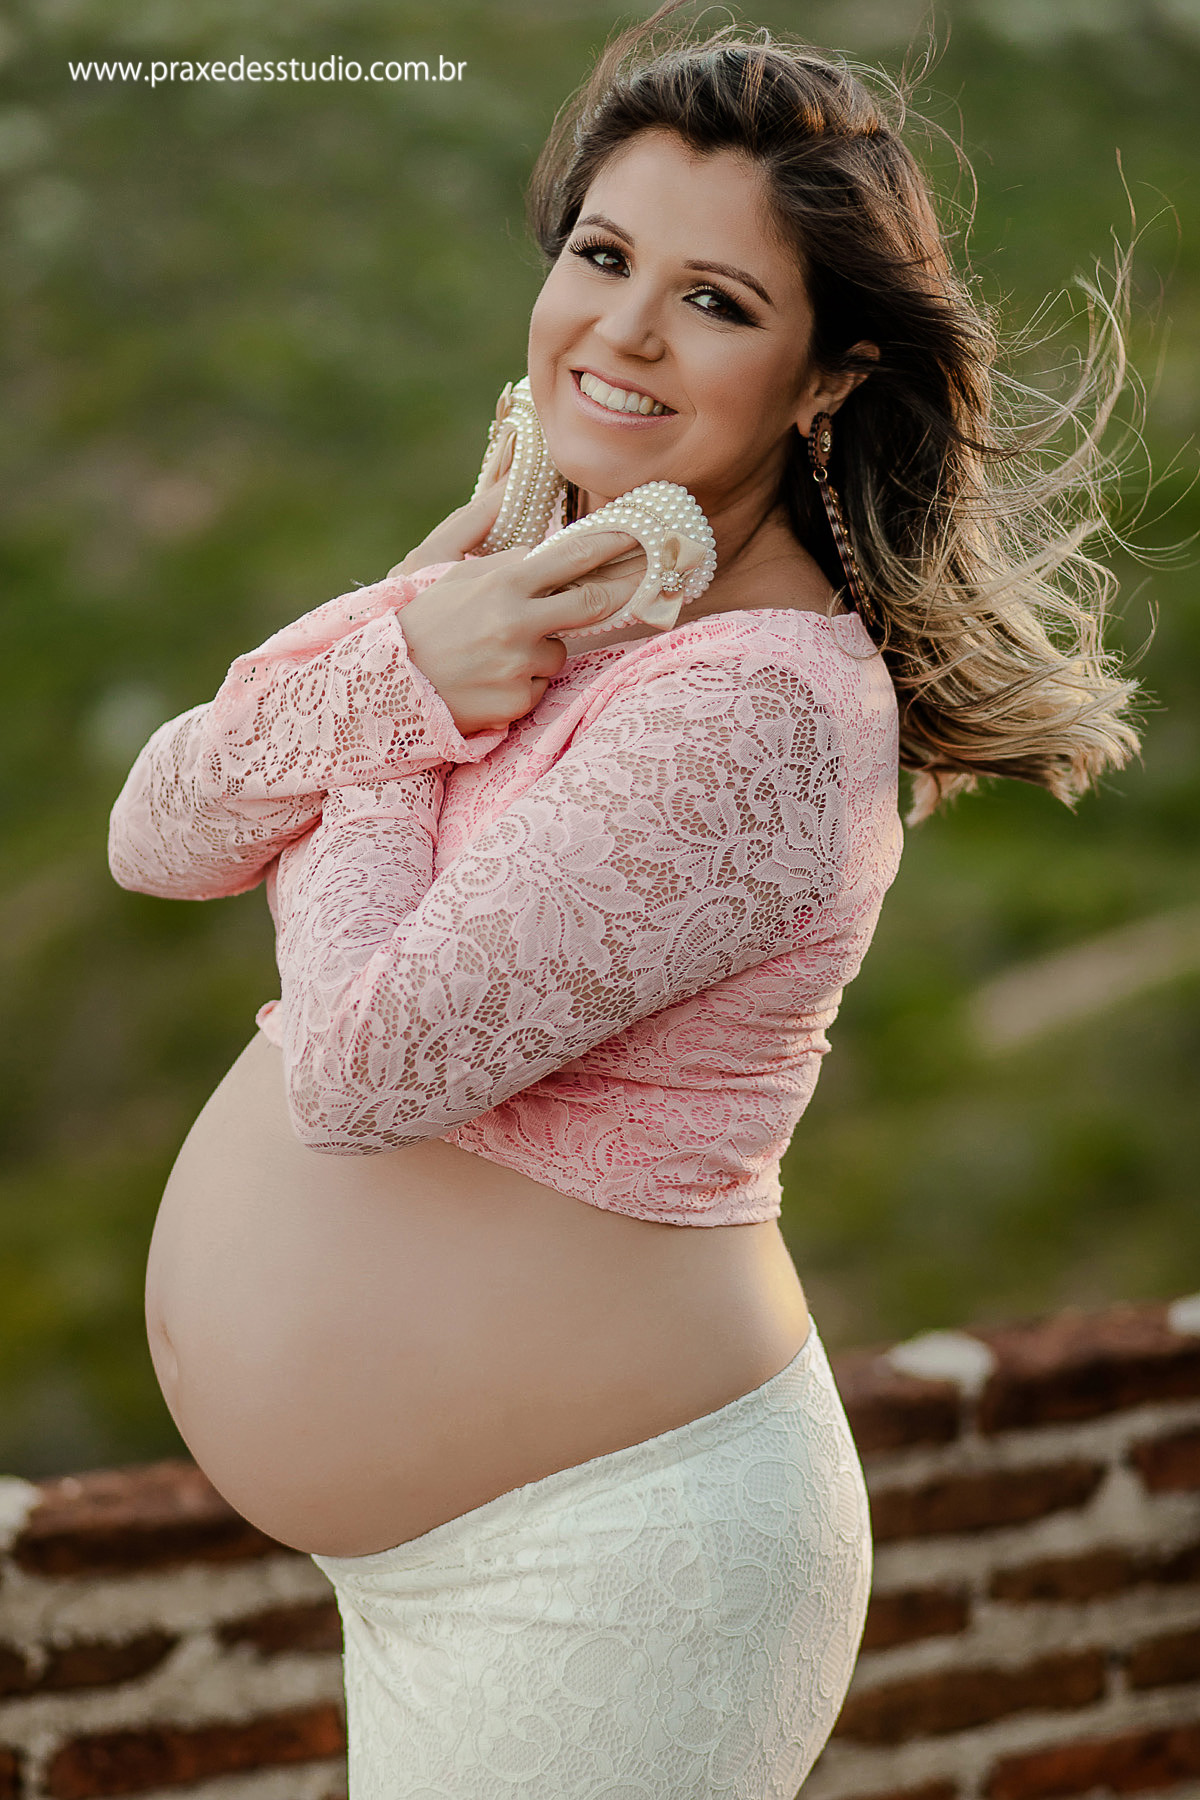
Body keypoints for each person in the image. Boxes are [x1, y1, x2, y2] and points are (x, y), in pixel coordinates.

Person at [107, 6, 1142, 1795]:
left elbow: (356, 1075)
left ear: (827, 376)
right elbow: (160, 827)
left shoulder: (751, 710)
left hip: (610, 1571)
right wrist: (427, 642)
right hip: (464, 1555)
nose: (624, 331)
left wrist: (400, 687)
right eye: (601, 255)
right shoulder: (538, 591)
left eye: (718, 301)